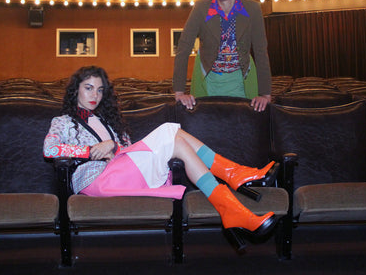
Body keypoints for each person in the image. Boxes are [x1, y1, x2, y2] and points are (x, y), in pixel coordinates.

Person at [43, 66, 279, 248]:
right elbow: (50, 150)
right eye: (88, 88)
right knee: (170, 129)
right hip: (95, 180)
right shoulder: (63, 122)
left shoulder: (107, 121)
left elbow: (126, 148)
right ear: (76, 89)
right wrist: (93, 151)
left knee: (176, 138)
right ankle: (234, 176)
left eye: (100, 89)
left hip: (123, 172)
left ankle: (232, 205)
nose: (95, 94)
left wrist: (112, 144)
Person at [173, 0, 272, 112]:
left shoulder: (252, 9)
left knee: (241, 128)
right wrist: (179, 93)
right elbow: (183, 49)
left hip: (241, 79)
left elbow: (261, 52)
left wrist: (265, 94)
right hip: (208, 79)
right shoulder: (201, 9)